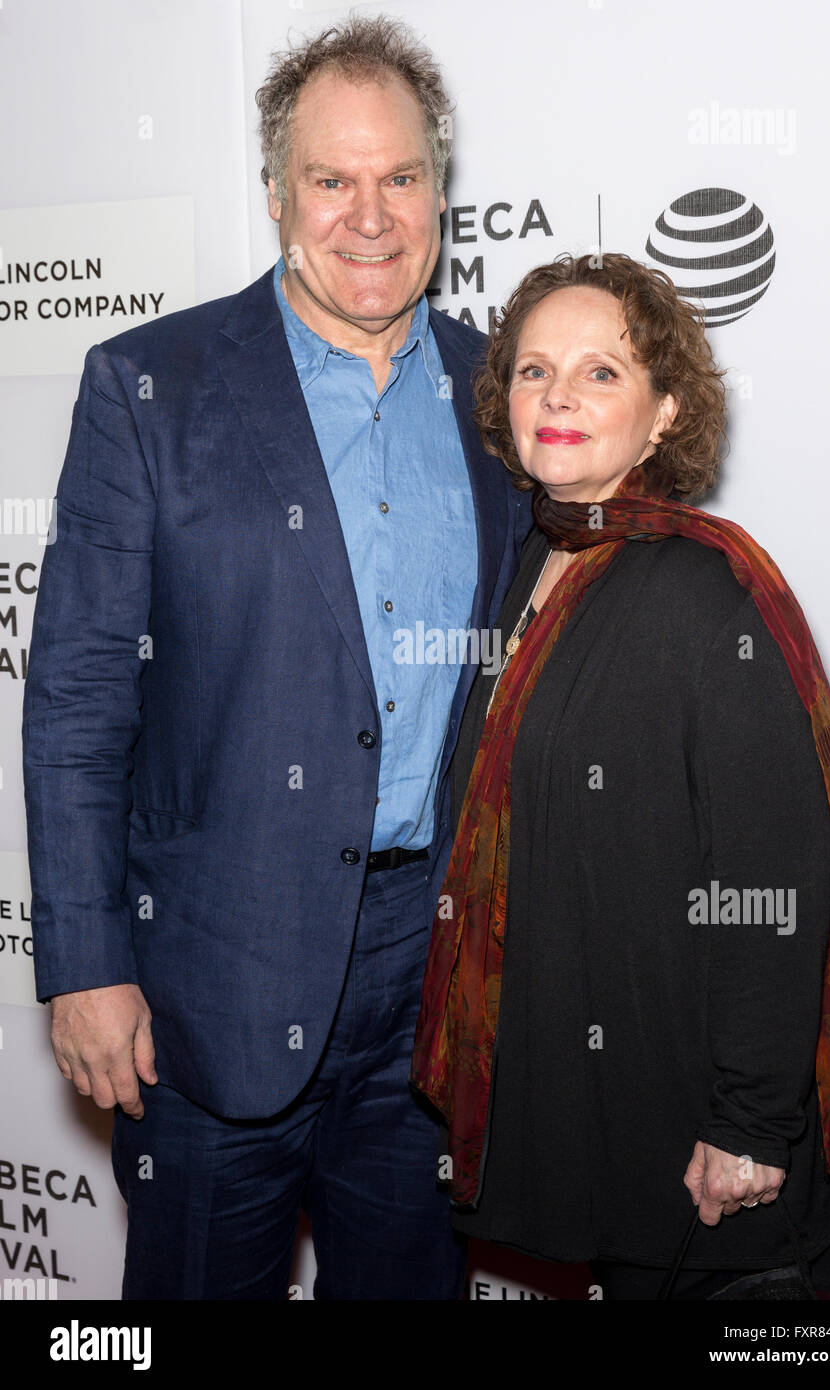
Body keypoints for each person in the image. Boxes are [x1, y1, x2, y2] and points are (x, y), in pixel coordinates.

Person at [21, 15, 530, 1301]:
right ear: (275, 194)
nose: (371, 214)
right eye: (332, 178)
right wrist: (85, 963)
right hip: (210, 985)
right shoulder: (149, 384)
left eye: (402, 177)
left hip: (433, 981)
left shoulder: (501, 397)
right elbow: (78, 695)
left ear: (442, 194)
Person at [410, 251, 830, 1300]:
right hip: (617, 1135)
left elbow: (779, 868)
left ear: (665, 411)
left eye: (601, 373)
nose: (560, 397)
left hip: (719, 1173)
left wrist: (752, 1124)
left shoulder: (703, 589)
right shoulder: (537, 568)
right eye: (535, 371)